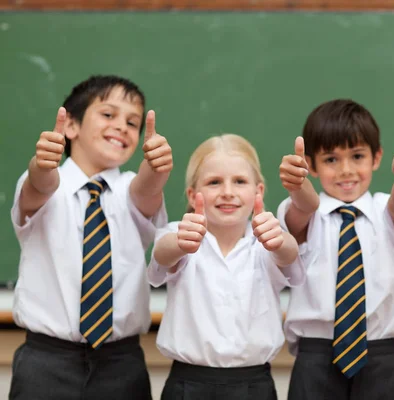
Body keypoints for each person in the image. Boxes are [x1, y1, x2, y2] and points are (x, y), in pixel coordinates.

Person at [9, 75, 172, 400]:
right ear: (70, 125)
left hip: (121, 363)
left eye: (133, 122)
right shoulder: (45, 184)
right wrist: (42, 163)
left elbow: (147, 189)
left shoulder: (130, 189)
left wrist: (156, 169)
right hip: (46, 361)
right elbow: (40, 184)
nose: (122, 127)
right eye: (109, 115)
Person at [278, 99, 394, 399]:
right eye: (331, 159)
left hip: (380, 355)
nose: (346, 170)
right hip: (315, 356)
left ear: (376, 157)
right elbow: (299, 213)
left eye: (357, 156)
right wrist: (297, 187)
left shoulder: (386, 210)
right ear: (311, 165)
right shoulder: (306, 214)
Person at [148, 133, 305, 400]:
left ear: (259, 192)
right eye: (214, 182)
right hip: (188, 384)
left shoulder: (267, 241)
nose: (228, 192)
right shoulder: (178, 235)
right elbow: (162, 256)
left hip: (253, 385)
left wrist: (280, 241)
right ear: (192, 194)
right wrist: (180, 243)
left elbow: (290, 256)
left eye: (240, 181)